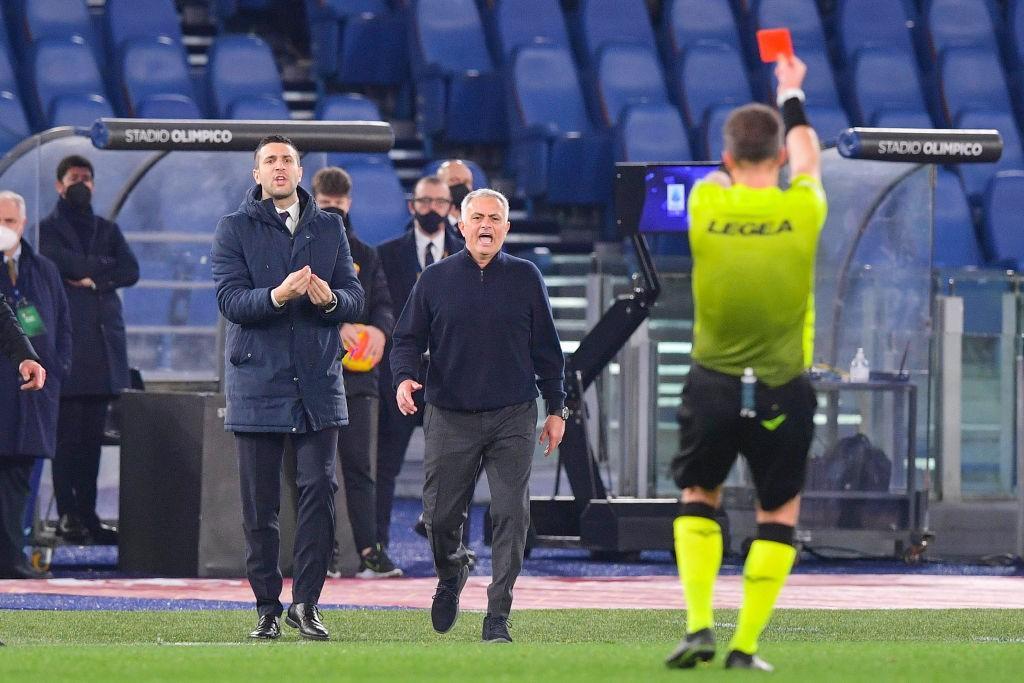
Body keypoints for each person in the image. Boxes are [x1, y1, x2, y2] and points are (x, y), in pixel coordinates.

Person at [664, 54, 824, 672]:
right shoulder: (806, 208)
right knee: (777, 509)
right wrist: (791, 92)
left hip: (712, 385)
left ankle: (700, 624)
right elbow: (809, 157)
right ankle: (745, 645)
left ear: (727, 161)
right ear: (779, 158)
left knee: (698, 492)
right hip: (784, 387)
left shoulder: (706, 203)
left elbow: (748, 170)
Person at [390, 188, 567, 644]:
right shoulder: (434, 278)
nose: (486, 225)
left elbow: (548, 350)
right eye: (477, 218)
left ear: (506, 228)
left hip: (513, 415)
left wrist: (557, 408)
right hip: (450, 414)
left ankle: (497, 616)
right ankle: (452, 572)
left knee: (512, 513)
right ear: (461, 226)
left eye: (495, 218)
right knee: (440, 517)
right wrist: (405, 377)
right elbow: (406, 339)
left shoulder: (527, 277)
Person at [211, 136, 364, 641]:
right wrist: (277, 296)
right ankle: (266, 606)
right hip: (257, 381)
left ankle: (307, 603)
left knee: (319, 491)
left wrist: (330, 300)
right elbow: (231, 301)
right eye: (270, 160)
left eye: (288, 160)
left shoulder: (329, 227)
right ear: (256, 174)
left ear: (301, 172)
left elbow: (354, 297)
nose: (279, 167)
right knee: (260, 504)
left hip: (317, 382)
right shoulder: (233, 228)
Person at [304, 166, 402, 579]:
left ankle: (368, 550)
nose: (335, 213)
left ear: (349, 204)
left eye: (340, 207)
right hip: (310, 376)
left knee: (361, 467)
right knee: (315, 472)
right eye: (327, 206)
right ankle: (321, 554)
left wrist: (380, 330)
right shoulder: (298, 249)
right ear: (314, 201)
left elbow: (382, 301)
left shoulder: (365, 254)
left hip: (358, 379)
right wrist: (334, 321)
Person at [39, 155, 139, 546]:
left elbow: (130, 270)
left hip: (102, 354)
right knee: (67, 441)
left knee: (92, 444)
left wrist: (88, 274)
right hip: (68, 354)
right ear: (59, 184)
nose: (81, 183)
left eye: (87, 178)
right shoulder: (48, 229)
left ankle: (89, 515)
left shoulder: (106, 228)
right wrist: (102, 267)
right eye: (74, 178)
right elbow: (57, 261)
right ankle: (67, 514)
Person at [375, 176, 463, 551]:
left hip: (447, 378)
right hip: (398, 374)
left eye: (439, 202)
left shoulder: (467, 253)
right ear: (412, 205)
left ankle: (452, 549)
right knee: (384, 467)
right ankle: (375, 546)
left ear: (449, 207)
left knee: (454, 470)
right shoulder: (386, 254)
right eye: (424, 201)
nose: (431, 209)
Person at [0, 191, 61, 579]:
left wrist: (30, 357)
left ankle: (11, 556)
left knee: (19, 479)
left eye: (9, 221)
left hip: (24, 395)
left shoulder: (41, 268)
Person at [435, 159, 474, 227]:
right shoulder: (429, 222)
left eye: (466, 182)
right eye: (454, 180)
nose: (461, 186)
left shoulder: (479, 223)